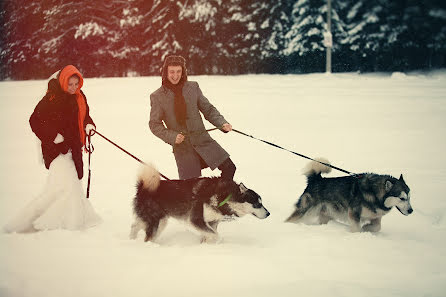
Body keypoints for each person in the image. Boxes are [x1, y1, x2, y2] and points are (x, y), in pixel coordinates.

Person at [3, 65, 102, 233]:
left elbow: (84, 116)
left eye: (76, 84)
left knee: (67, 185)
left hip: (75, 148)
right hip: (56, 151)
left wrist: (89, 125)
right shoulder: (51, 98)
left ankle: (71, 218)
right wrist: (53, 136)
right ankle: (50, 222)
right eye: (70, 84)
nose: (73, 88)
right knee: (66, 186)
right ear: (63, 82)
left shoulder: (79, 96)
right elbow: (34, 121)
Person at [149, 55, 236, 180]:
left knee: (230, 168)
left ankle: (222, 197)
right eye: (172, 72)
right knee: (191, 186)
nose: (175, 75)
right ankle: (207, 199)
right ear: (165, 73)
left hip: (204, 142)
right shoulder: (157, 96)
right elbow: (154, 124)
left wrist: (222, 123)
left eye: (179, 71)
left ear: (183, 71)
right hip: (183, 150)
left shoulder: (193, 87)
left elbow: (208, 109)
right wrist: (172, 136)